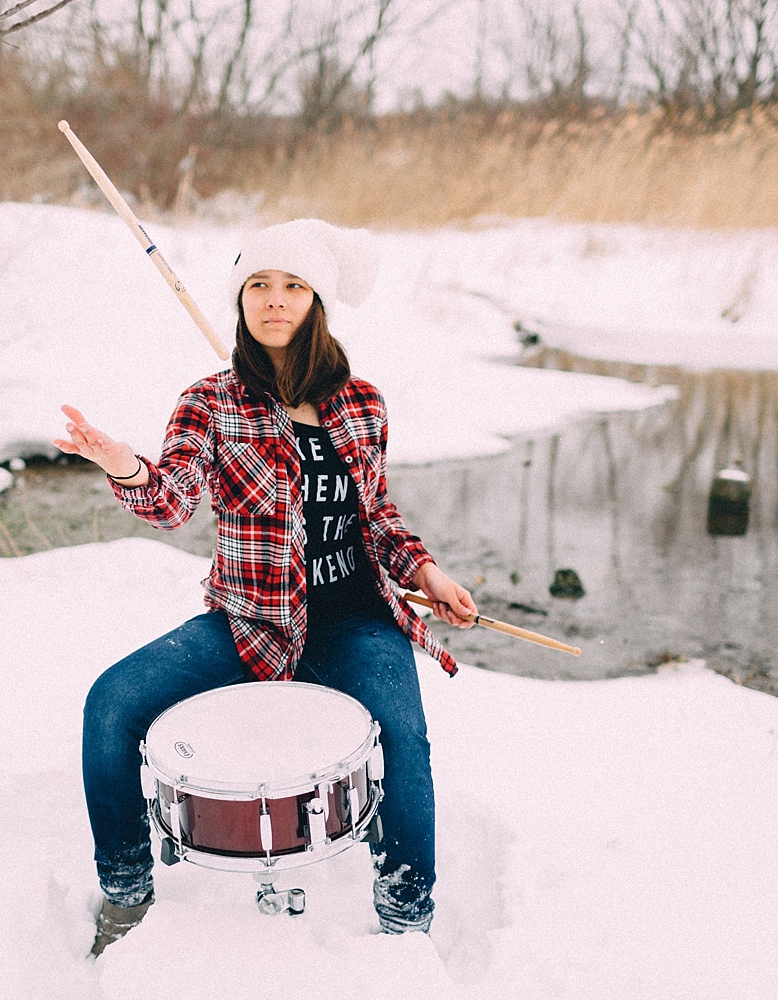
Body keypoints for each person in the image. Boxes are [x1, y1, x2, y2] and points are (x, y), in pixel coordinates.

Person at [53, 218, 478, 956]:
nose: (274, 300)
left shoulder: (363, 403)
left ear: (317, 303)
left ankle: (407, 909)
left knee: (405, 738)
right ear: (240, 299)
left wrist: (426, 573)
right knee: (110, 704)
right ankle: (125, 885)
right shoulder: (210, 402)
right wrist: (123, 464)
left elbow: (376, 516)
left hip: (355, 619)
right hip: (252, 621)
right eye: (258, 285)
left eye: (292, 286)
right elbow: (173, 500)